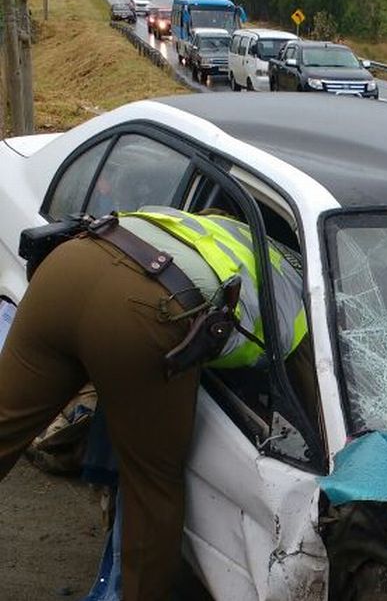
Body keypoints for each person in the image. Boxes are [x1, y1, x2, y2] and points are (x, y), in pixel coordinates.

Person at [0, 206, 309, 601]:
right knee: (153, 489)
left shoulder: (212, 225)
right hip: (145, 310)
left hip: (71, 262)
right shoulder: (301, 293)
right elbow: (311, 400)